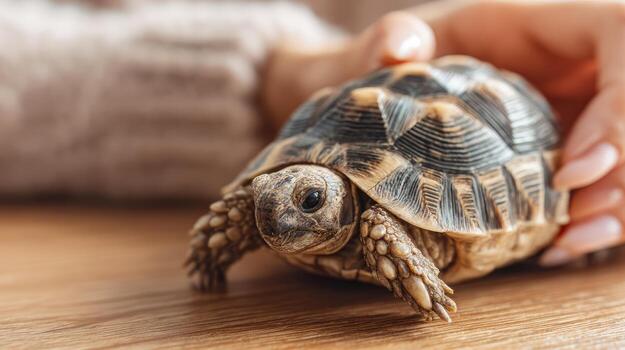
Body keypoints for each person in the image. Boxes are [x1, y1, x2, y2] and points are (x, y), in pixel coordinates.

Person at [2, 0, 624, 266]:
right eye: (278, 197)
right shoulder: (289, 199)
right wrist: (282, 76)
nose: (277, 215)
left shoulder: (376, 217)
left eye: (304, 201)